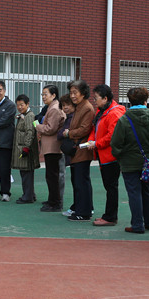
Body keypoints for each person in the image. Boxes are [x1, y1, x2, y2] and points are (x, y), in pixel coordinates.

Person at [111, 87, 149, 234]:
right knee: (148, 191)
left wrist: (120, 156)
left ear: (129, 101)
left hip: (129, 163)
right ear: (146, 101)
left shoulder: (124, 120)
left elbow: (116, 143)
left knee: (134, 193)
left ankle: (137, 224)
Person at [86, 84, 126, 226]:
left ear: (105, 98)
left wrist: (96, 144)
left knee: (111, 187)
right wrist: (91, 140)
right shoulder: (102, 111)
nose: (94, 101)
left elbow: (112, 136)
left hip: (111, 157)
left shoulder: (114, 113)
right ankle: (109, 215)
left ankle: (110, 217)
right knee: (109, 186)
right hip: (103, 155)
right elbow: (95, 129)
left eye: (96, 98)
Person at [63, 80, 95, 221]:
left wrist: (69, 133)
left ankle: (84, 212)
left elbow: (84, 129)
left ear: (83, 93)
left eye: (75, 92)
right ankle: (79, 208)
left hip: (82, 149)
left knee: (81, 181)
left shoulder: (87, 108)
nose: (72, 96)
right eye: (71, 93)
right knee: (77, 181)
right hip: (77, 149)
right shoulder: (79, 107)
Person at [36, 85, 66, 212]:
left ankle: (55, 203)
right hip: (51, 146)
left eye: (45, 94)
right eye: (42, 94)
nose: (43, 97)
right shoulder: (51, 107)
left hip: (53, 147)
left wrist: (37, 126)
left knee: (52, 176)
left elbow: (50, 128)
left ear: (53, 95)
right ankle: (52, 200)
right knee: (51, 175)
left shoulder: (54, 109)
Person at [12, 94, 40, 203]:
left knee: (26, 174)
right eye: (18, 105)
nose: (19, 107)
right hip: (23, 148)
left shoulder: (29, 116)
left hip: (26, 149)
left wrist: (26, 147)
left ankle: (27, 197)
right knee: (25, 173)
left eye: (22, 105)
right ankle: (30, 195)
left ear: (27, 104)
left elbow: (30, 132)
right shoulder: (24, 115)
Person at [57, 94, 77, 217]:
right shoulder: (68, 117)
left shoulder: (73, 118)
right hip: (69, 151)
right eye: (63, 105)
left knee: (76, 181)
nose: (65, 107)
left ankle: (59, 202)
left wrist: (38, 125)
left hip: (73, 152)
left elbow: (58, 132)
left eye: (68, 105)